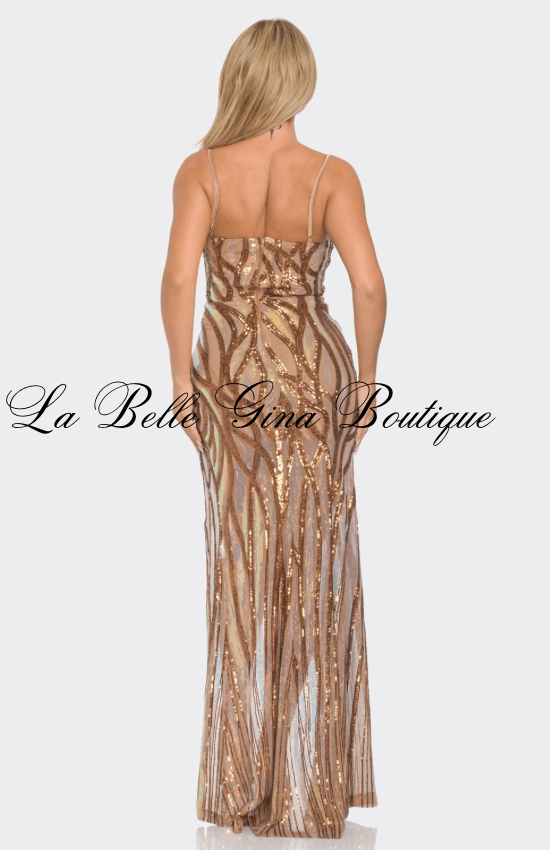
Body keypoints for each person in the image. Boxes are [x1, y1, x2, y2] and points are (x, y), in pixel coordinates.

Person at [160, 18, 387, 839]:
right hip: (315, 377)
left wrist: (180, 385)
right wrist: (365, 382)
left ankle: (240, 785)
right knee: (314, 562)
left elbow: (179, 277)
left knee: (241, 565)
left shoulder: (202, 171)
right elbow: (368, 285)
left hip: (228, 380)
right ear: (301, 82)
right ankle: (308, 787)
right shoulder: (330, 175)